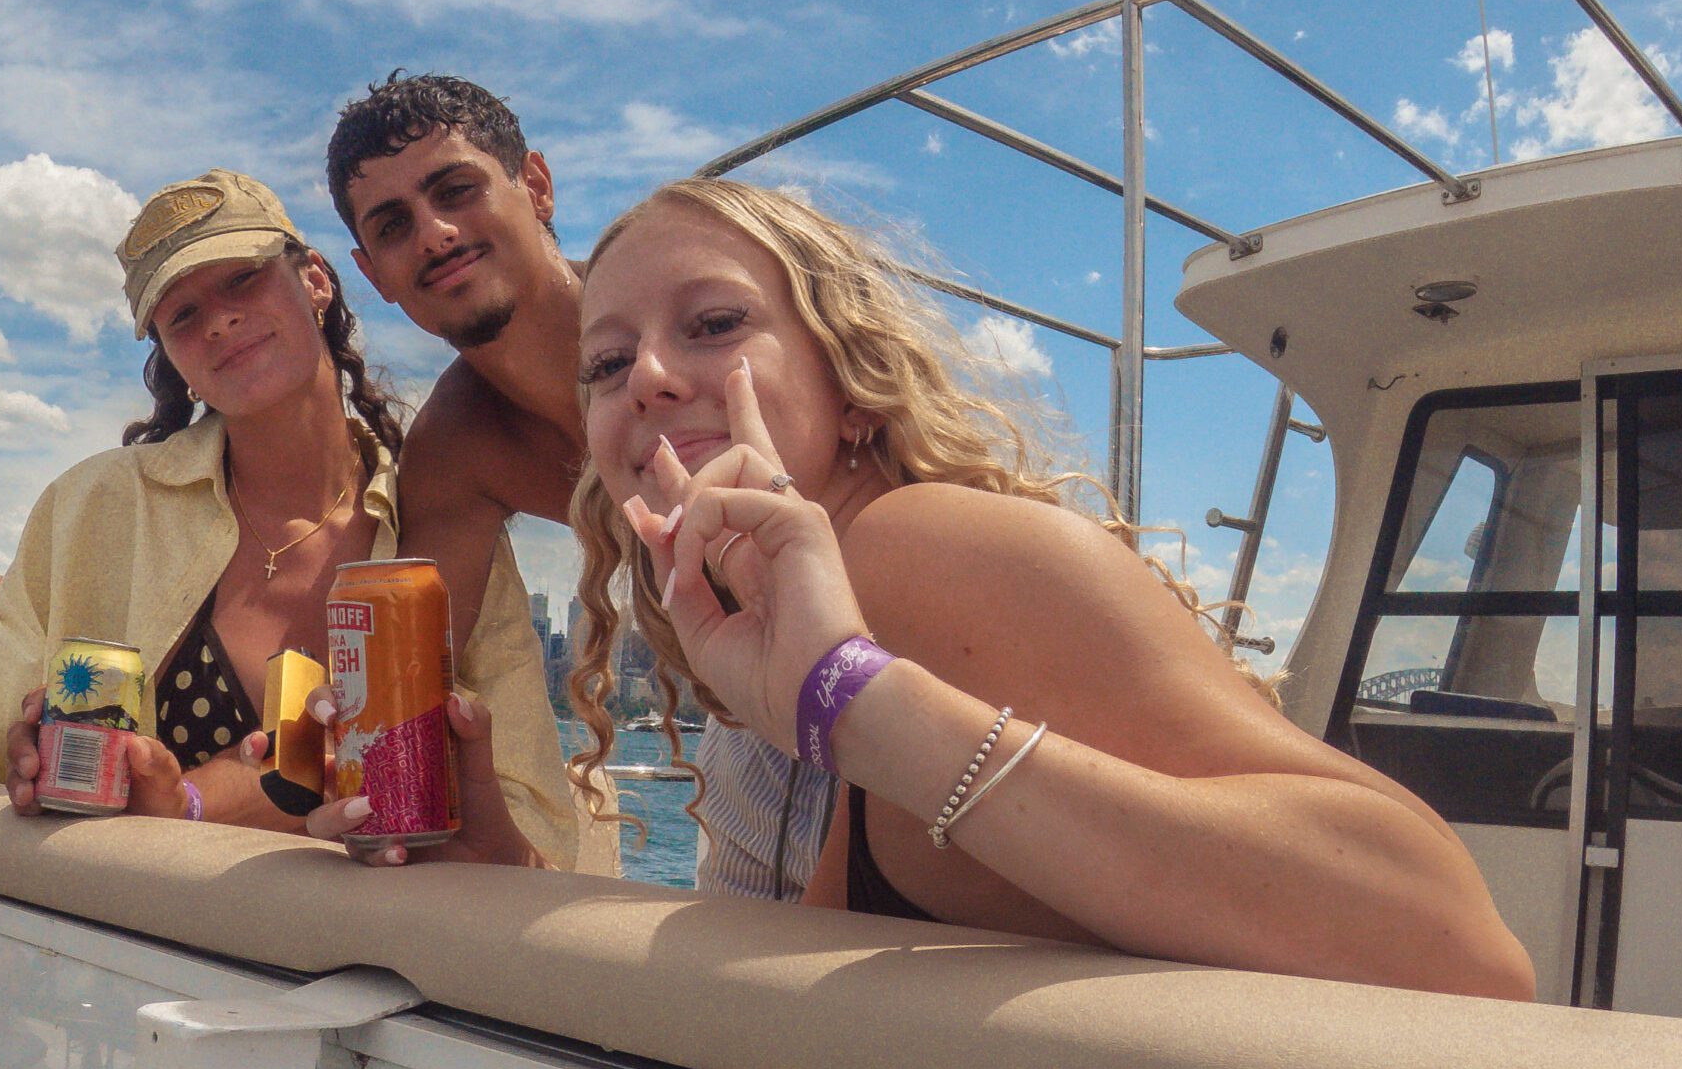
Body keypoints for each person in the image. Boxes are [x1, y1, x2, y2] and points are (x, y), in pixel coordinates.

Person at [573, 176, 1535, 996]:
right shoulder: (812, 614)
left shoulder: (913, 546)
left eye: (715, 324)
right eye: (607, 364)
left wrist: (857, 702)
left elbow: (1463, 957)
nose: (647, 375)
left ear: (853, 384)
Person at [0, 173, 589, 870]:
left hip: (358, 987)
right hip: (132, 968)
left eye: (243, 281)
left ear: (314, 280)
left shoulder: (439, 520)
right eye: (184, 314)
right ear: (168, 351)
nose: (220, 323)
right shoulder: (95, 509)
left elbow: (525, 800)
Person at [329, 71, 807, 893]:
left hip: (896, 646)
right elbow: (412, 688)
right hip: (752, 720)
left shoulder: (696, 329)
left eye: (456, 191)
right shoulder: (457, 447)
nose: (435, 234)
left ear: (538, 186)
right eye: (395, 225)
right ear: (374, 274)